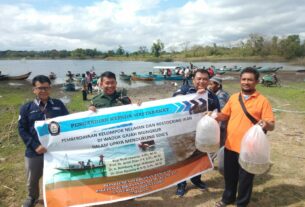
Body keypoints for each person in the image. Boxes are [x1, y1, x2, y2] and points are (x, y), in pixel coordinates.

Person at [215, 67, 275, 207]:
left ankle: (241, 203)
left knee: (245, 179)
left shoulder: (262, 101)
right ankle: (227, 198)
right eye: (244, 79)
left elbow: (271, 125)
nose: (246, 82)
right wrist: (214, 116)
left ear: (256, 82)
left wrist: (266, 124)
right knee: (229, 176)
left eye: (250, 79)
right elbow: (225, 115)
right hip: (230, 145)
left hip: (249, 148)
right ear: (240, 80)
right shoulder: (234, 98)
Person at [18, 75, 69, 207]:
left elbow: (68, 124)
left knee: (57, 175)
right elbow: (22, 129)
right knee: (33, 179)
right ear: (34, 89)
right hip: (34, 151)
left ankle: (56, 197)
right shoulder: (26, 108)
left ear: (50, 89)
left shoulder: (58, 105)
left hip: (55, 151)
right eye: (40, 88)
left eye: (46, 88)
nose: (43, 91)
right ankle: (32, 197)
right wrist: (35, 146)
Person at [173, 69, 220, 197]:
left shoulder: (212, 96)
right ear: (193, 79)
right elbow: (172, 104)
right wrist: (195, 97)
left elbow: (217, 113)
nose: (201, 81)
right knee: (183, 159)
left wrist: (213, 114)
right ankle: (181, 184)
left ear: (208, 81)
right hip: (183, 133)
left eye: (205, 79)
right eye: (199, 78)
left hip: (201, 134)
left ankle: (196, 179)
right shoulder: (184, 90)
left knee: (199, 158)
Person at [209, 76, 230, 147]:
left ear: (218, 85)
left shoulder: (221, 96)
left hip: (223, 125)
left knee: (221, 144)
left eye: (211, 84)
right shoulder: (222, 93)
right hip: (224, 123)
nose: (209, 86)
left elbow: (223, 112)